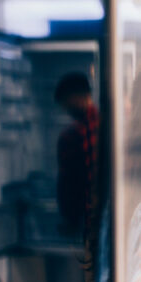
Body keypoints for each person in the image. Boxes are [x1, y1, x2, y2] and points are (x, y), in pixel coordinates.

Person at [55, 71, 100, 238]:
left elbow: (69, 183)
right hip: (98, 217)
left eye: (66, 102)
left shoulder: (73, 135)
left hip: (87, 218)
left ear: (76, 97)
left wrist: (70, 220)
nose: (65, 109)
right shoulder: (104, 123)